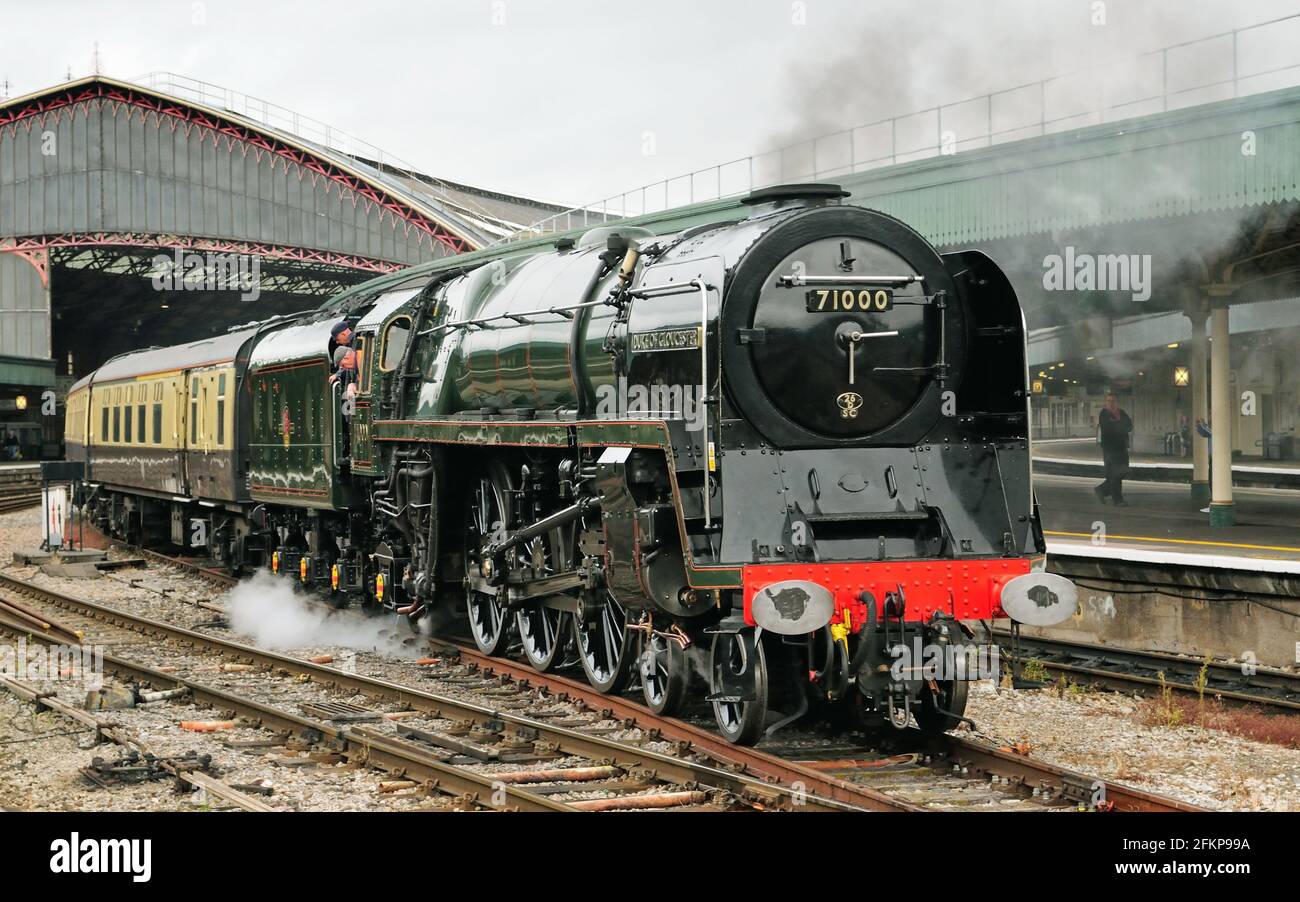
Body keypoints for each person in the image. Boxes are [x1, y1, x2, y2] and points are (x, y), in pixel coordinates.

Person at [1094, 392, 1132, 506]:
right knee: (1115, 473)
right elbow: (1108, 429)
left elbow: (1129, 426)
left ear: (1117, 402)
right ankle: (1118, 500)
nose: (1111, 403)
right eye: (1109, 401)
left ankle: (1102, 489)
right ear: (1106, 402)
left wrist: (1117, 424)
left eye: (1113, 401)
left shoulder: (1122, 413)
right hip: (1110, 449)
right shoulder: (1104, 414)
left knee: (1122, 472)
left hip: (1122, 448)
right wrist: (1120, 425)